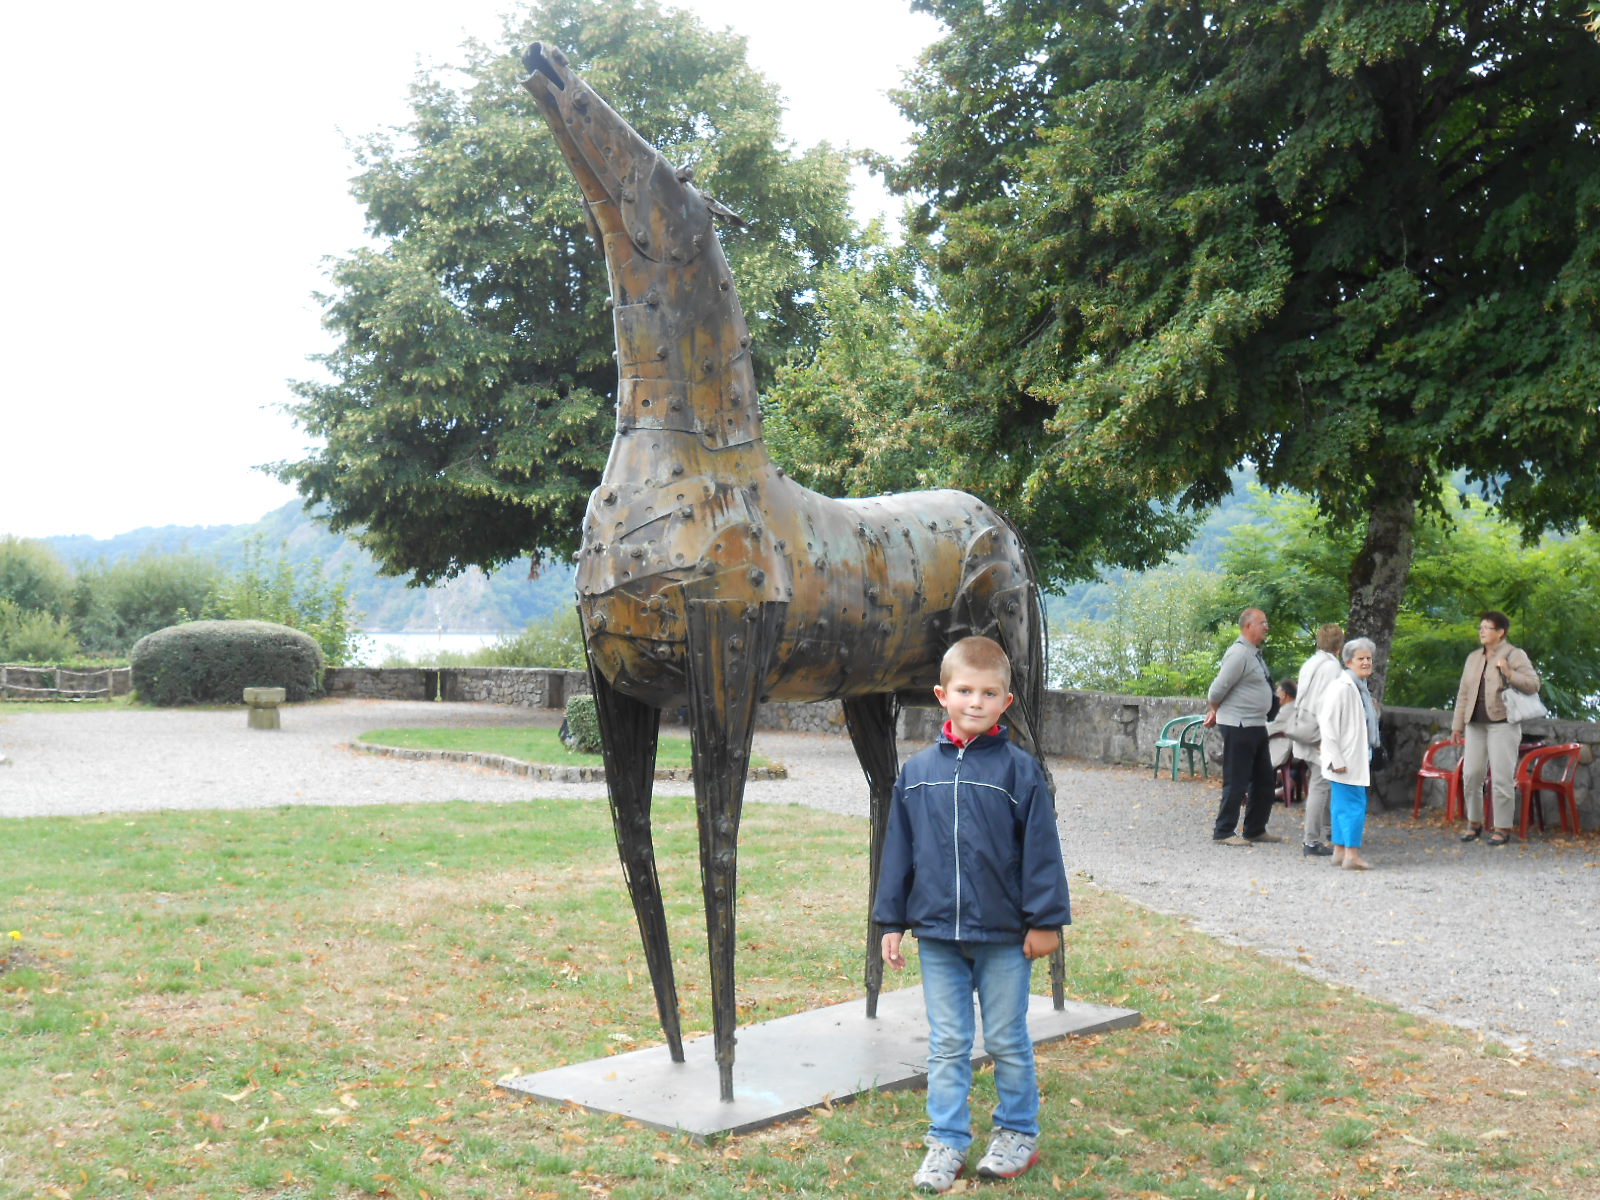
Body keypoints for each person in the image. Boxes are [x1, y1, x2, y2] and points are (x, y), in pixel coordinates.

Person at [873, 636, 1071, 1193]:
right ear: (943, 695)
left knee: (1007, 1038)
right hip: (937, 936)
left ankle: (1016, 1133)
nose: (976, 702)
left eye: (989, 693)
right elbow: (899, 852)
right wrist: (891, 921)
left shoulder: (1020, 772)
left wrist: (1046, 920)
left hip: (1005, 936)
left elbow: (1042, 851)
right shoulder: (916, 773)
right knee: (947, 1043)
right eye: (965, 691)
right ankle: (947, 1141)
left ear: (1006, 702)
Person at [1451, 610, 1540, 847]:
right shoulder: (1473, 657)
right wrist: (1457, 725)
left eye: (1486, 628)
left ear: (1501, 632)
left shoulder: (1514, 654)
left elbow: (1533, 684)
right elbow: (1463, 693)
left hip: (1503, 724)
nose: (1481, 631)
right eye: (1480, 627)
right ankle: (1474, 822)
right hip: (1475, 724)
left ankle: (1502, 827)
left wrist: (1509, 673)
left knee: (1501, 778)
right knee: (1471, 775)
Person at [1204, 608, 1281, 845]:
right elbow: (1216, 691)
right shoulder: (1238, 654)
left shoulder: (1254, 654)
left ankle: (1255, 829)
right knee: (1237, 780)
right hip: (1238, 724)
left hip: (1255, 724)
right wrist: (1218, 710)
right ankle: (1224, 832)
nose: (1266, 627)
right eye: (1262, 623)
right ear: (1248, 626)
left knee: (1264, 780)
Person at [1318, 637, 1379, 869]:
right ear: (1348, 662)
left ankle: (1340, 851)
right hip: (1346, 758)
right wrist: (1336, 758)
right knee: (1354, 805)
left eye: (1369, 658)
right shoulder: (1343, 687)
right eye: (1361, 659)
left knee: (1342, 805)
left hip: (1352, 756)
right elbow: (1328, 724)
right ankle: (1351, 855)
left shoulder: (1357, 687)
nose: (1366, 662)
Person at [1293, 623, 1345, 858]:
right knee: (1320, 785)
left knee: (1320, 782)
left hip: (1303, 728)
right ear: (1340, 645)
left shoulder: (1310, 663)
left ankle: (1329, 831)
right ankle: (1311, 841)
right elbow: (1328, 705)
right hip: (1319, 732)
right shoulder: (1332, 669)